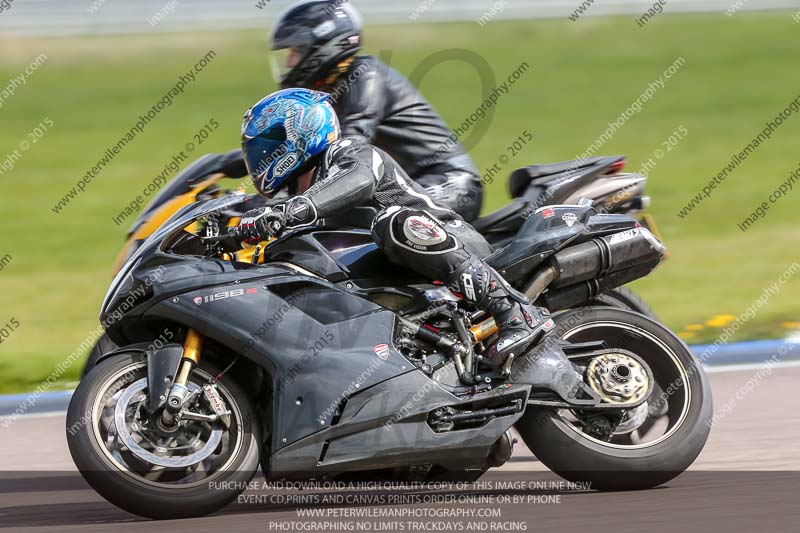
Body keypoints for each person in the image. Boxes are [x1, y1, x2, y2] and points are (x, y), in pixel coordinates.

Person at [235, 88, 553, 368]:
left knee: (394, 223)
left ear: (299, 134)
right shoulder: (296, 199)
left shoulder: (349, 154)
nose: (260, 156)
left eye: (270, 144)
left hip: (454, 241)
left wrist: (288, 212)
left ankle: (513, 310)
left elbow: (358, 180)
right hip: (404, 278)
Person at [267, 0, 484, 221]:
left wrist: (284, 199)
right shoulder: (330, 90)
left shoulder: (365, 75)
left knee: (377, 220)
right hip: (407, 184)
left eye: (294, 51)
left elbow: (349, 144)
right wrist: (236, 162)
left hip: (450, 182)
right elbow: (294, 142)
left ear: (320, 47)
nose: (288, 63)